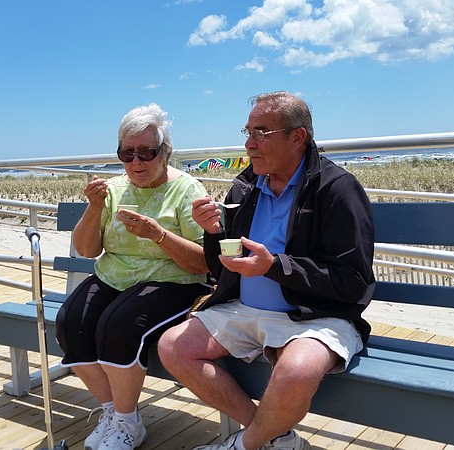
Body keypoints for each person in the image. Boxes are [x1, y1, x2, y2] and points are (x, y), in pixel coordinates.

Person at [158, 92, 376, 450]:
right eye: (248, 131)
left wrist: (275, 267)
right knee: (172, 346)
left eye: (261, 133)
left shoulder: (336, 190)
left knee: (296, 370)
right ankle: (276, 437)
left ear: (297, 137)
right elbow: (220, 268)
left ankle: (243, 445)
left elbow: (353, 282)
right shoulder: (245, 187)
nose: (248, 143)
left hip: (312, 316)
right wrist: (213, 234)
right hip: (242, 309)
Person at [54, 104, 211, 450]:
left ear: (165, 152)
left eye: (146, 152)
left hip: (174, 281)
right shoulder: (111, 189)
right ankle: (114, 411)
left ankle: (127, 423)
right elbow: (86, 250)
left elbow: (203, 263)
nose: (136, 162)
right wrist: (95, 208)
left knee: (118, 324)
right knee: (71, 322)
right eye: (127, 153)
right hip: (115, 277)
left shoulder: (187, 190)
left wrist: (159, 236)